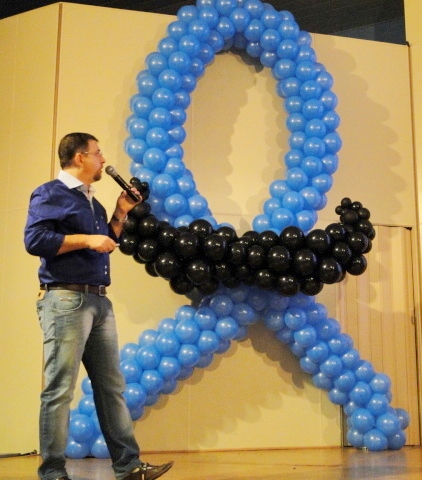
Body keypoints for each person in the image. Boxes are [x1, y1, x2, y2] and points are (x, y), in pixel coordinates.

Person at [24, 133, 173, 480]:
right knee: (60, 389)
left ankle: (129, 466)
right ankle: (52, 471)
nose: (103, 159)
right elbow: (35, 240)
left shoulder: (94, 203)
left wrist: (120, 213)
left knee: (111, 387)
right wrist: (88, 239)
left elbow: (107, 242)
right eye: (97, 153)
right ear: (79, 157)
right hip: (66, 299)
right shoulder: (50, 193)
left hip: (98, 300)